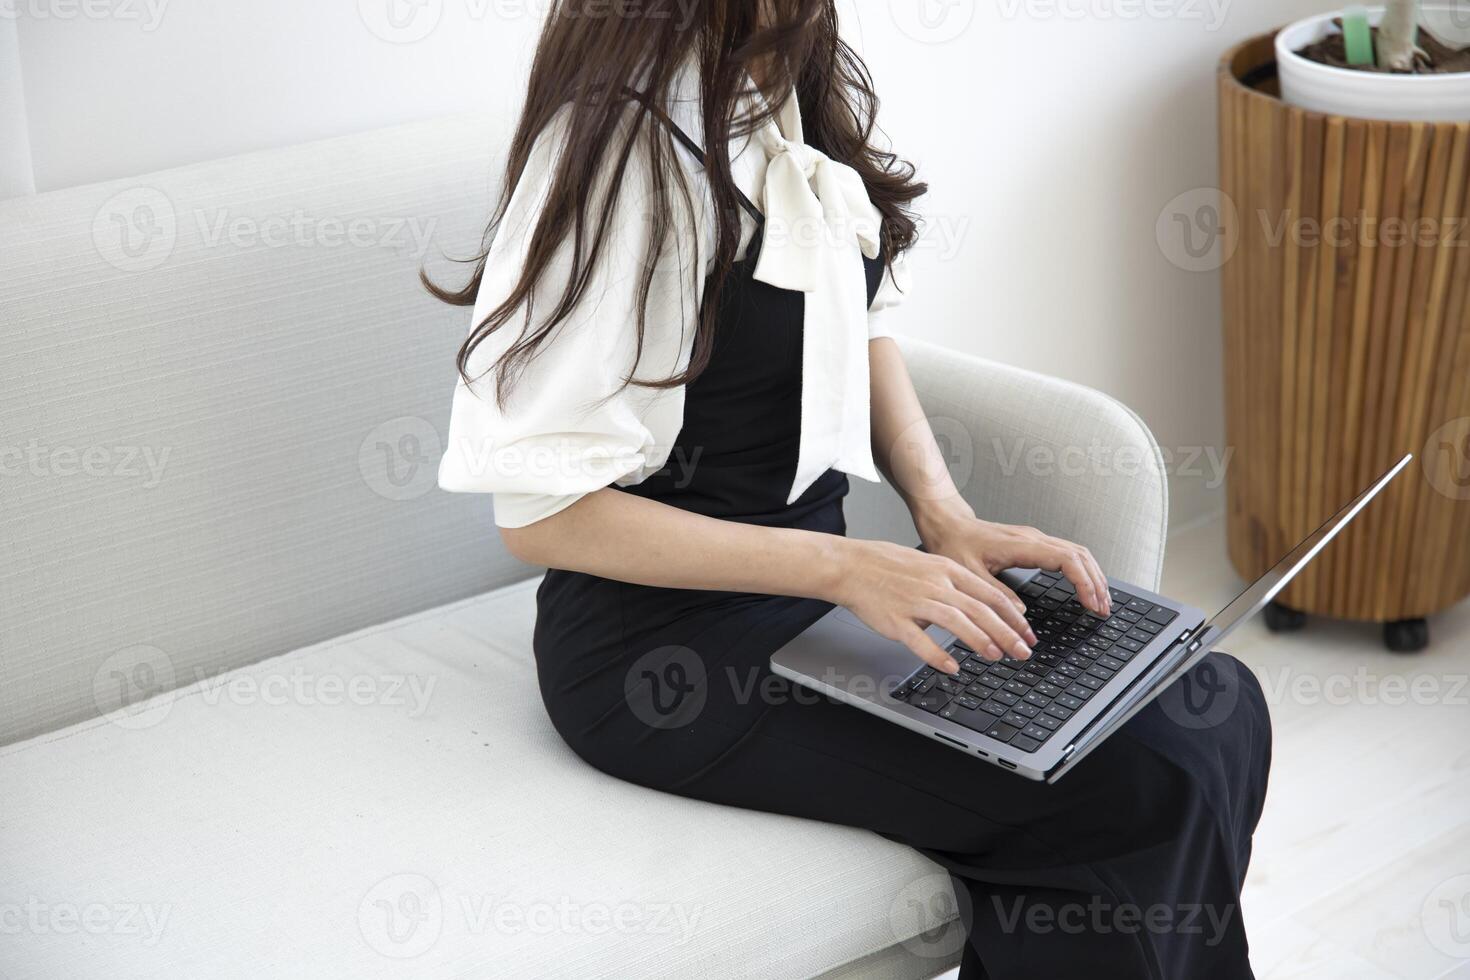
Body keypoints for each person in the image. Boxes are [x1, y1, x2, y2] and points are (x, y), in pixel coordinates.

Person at [431, 3, 1271, 976]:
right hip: (661, 650)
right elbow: (540, 512)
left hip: (822, 596)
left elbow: (863, 319)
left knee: (1211, 699)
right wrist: (842, 563)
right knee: (1139, 779)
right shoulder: (622, 147)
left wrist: (944, 516)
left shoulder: (792, 81)